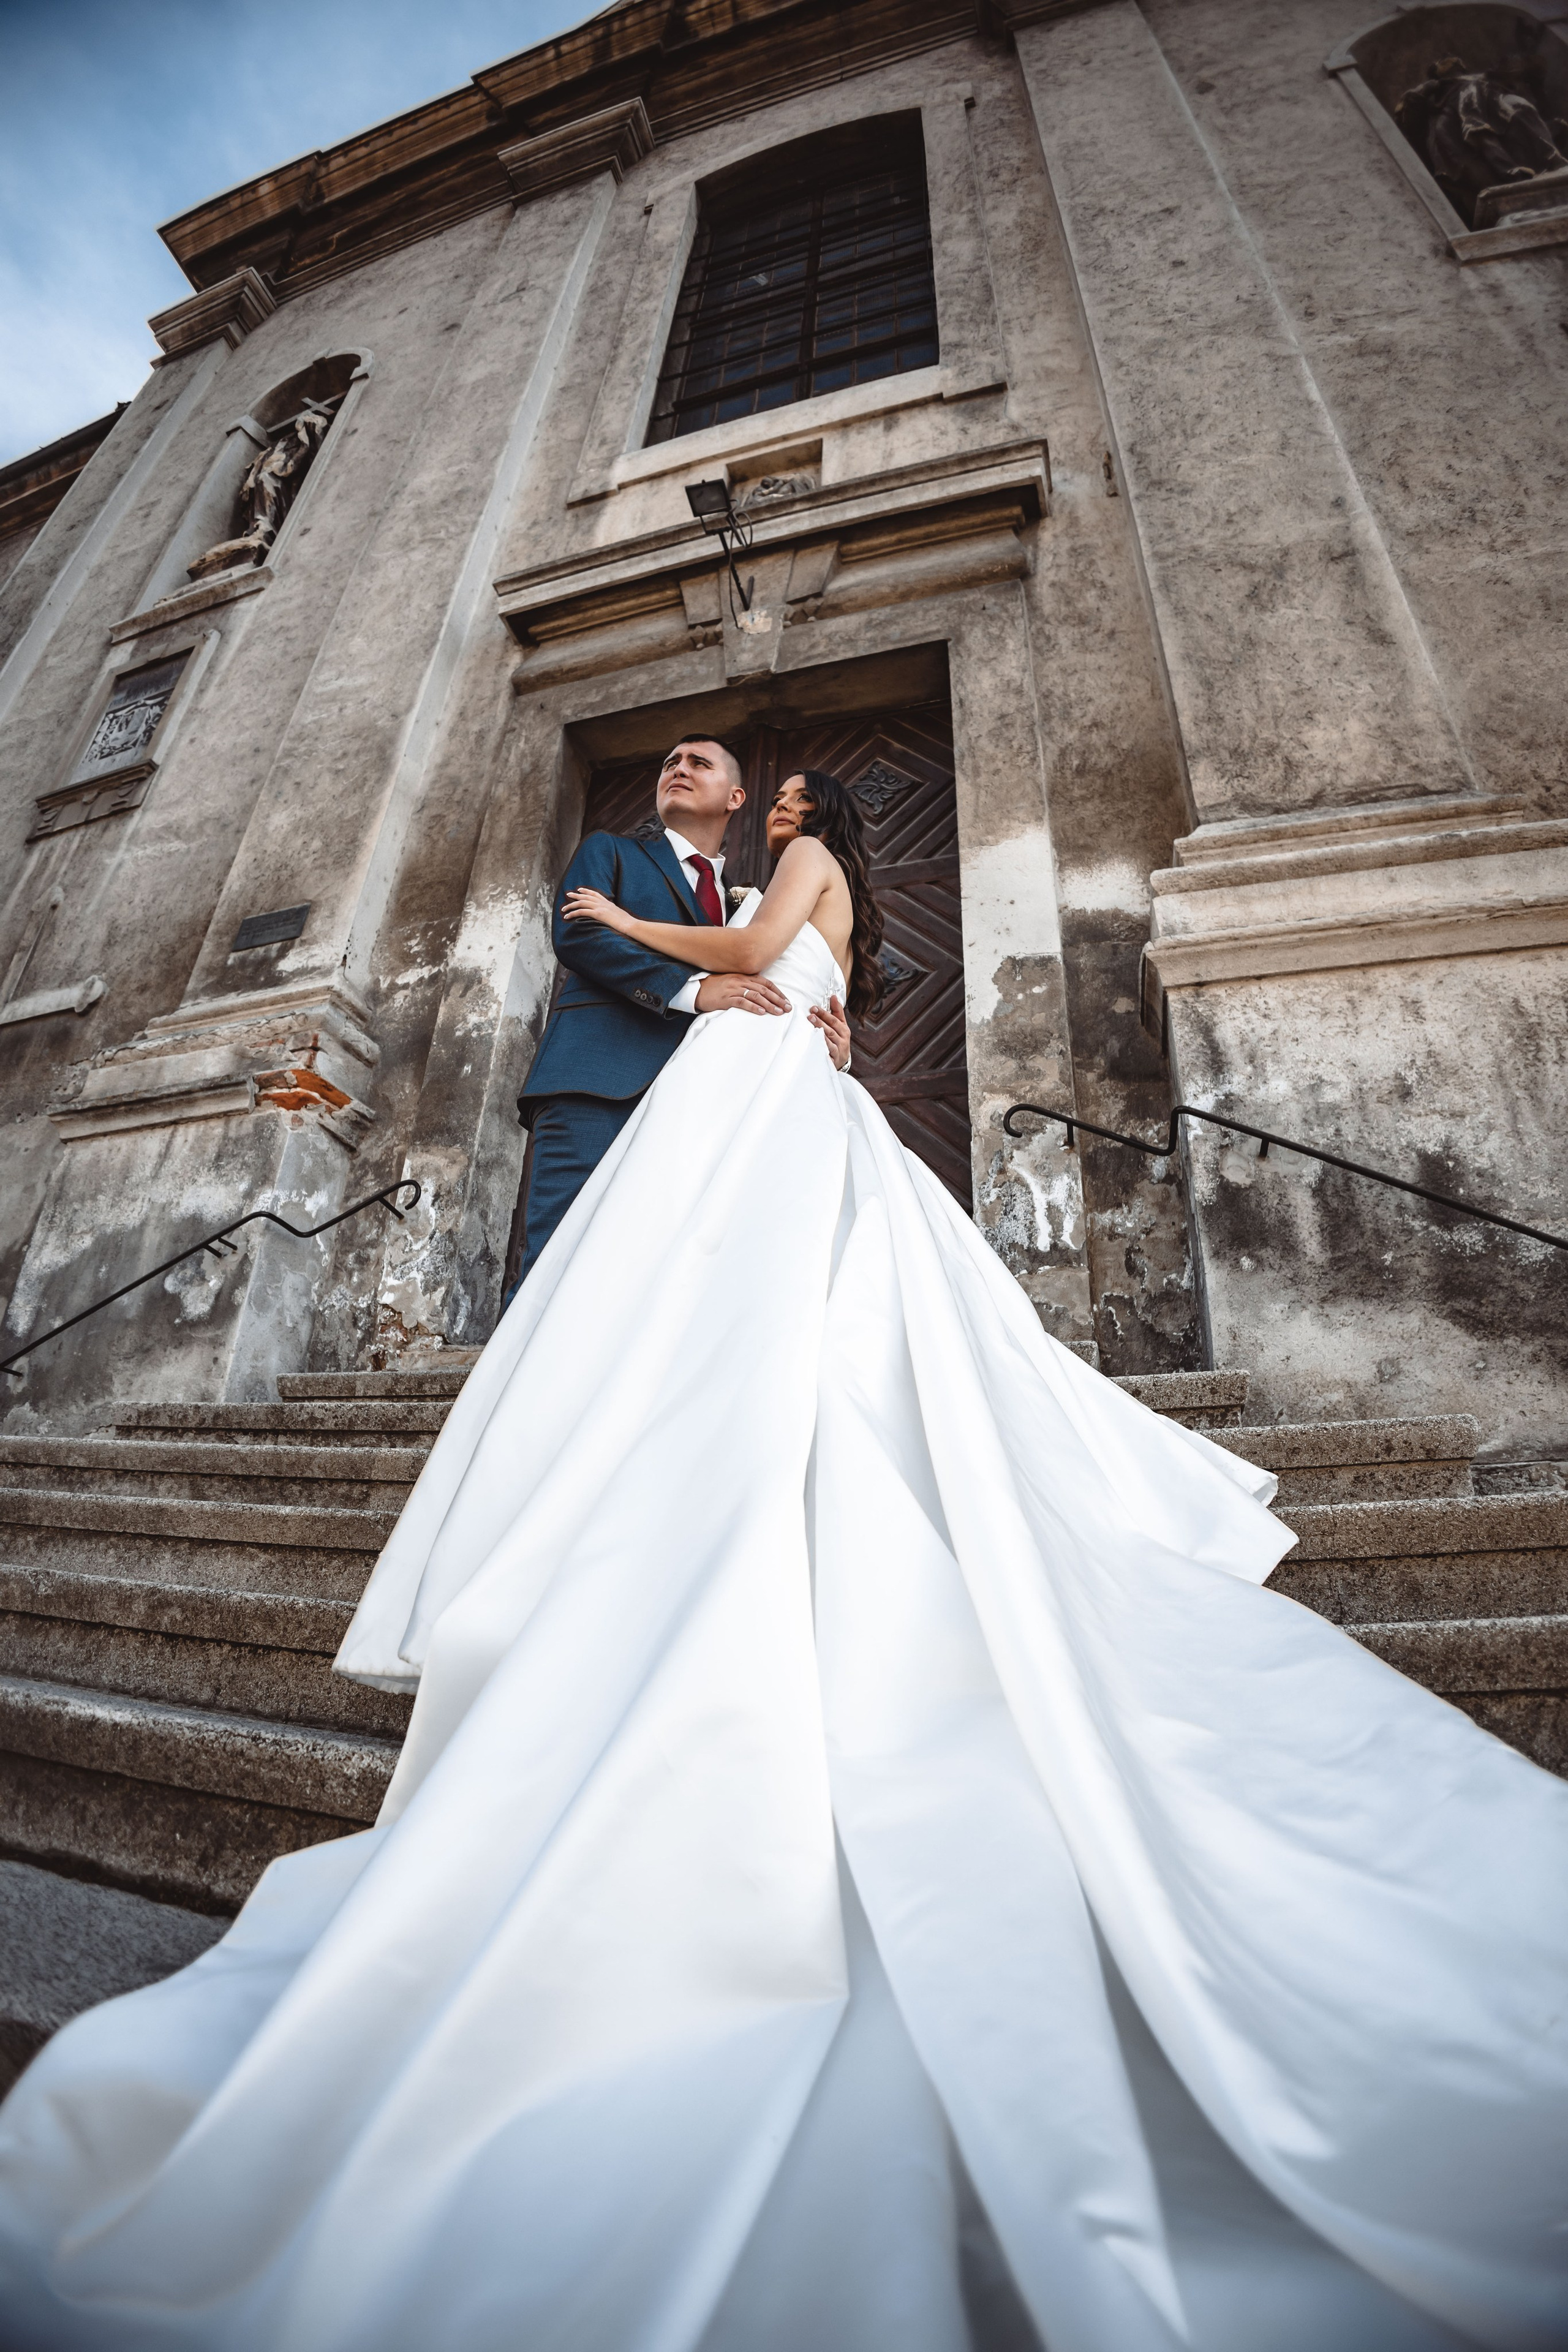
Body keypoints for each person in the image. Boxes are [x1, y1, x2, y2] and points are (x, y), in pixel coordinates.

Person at [1, 770, 1566, 2352]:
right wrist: (741, 977)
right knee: (763, 1327)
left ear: (807, 814)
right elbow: (769, 972)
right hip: (759, 1093)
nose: (769, 808)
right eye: (749, 793)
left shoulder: (792, 860)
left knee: (734, 1328)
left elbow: (750, 947)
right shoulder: (834, 918)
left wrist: (617, 917)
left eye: (783, 794)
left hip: (750, 1098)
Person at [509, 735, 851, 1302]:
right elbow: (580, 933)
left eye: (699, 762)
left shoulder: (749, 899)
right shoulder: (611, 850)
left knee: (658, 1280)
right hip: (600, 1083)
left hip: (701, 1104)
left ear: (736, 796)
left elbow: (786, 973)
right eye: (670, 761)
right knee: (560, 1263)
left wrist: (835, 1043)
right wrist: (695, 990)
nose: (679, 768)